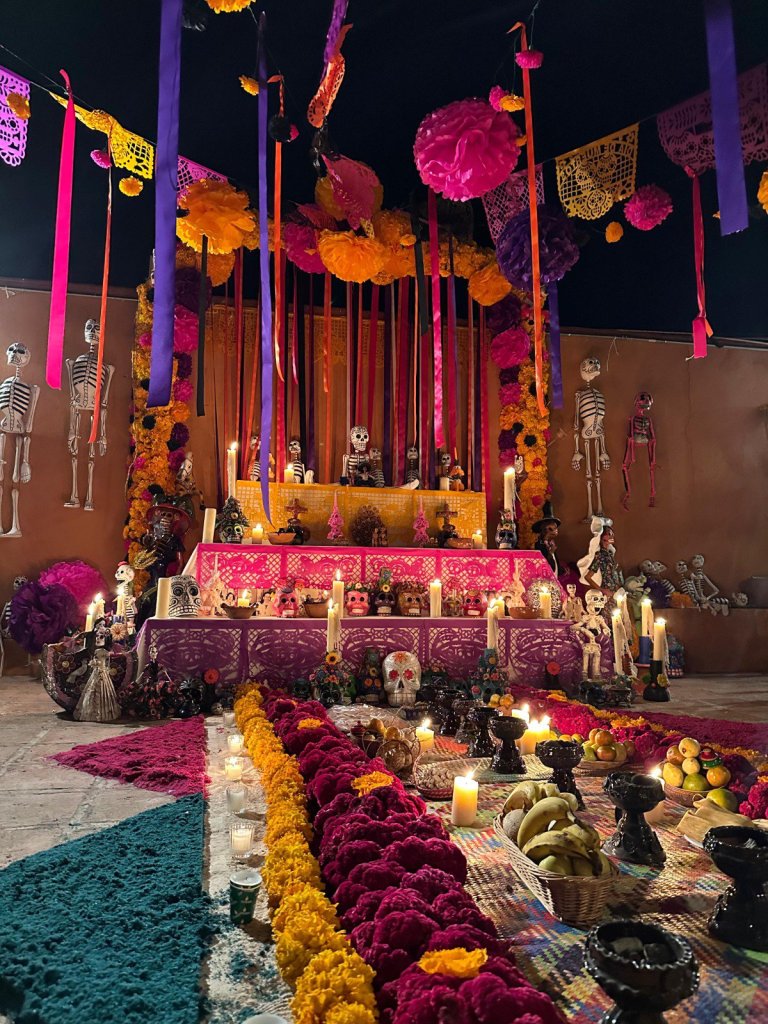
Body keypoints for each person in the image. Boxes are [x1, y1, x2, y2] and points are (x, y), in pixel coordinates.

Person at [577, 516, 624, 597]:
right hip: (607, 592)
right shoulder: (600, 555)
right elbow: (587, 577)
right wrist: (601, 590)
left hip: (615, 591)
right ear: (602, 537)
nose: (612, 536)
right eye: (609, 534)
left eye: (612, 534)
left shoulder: (610, 553)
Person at [531, 501, 561, 576]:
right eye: (550, 529)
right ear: (543, 529)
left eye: (555, 528)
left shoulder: (551, 543)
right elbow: (542, 563)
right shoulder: (539, 544)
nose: (555, 531)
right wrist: (550, 553)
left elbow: (555, 561)